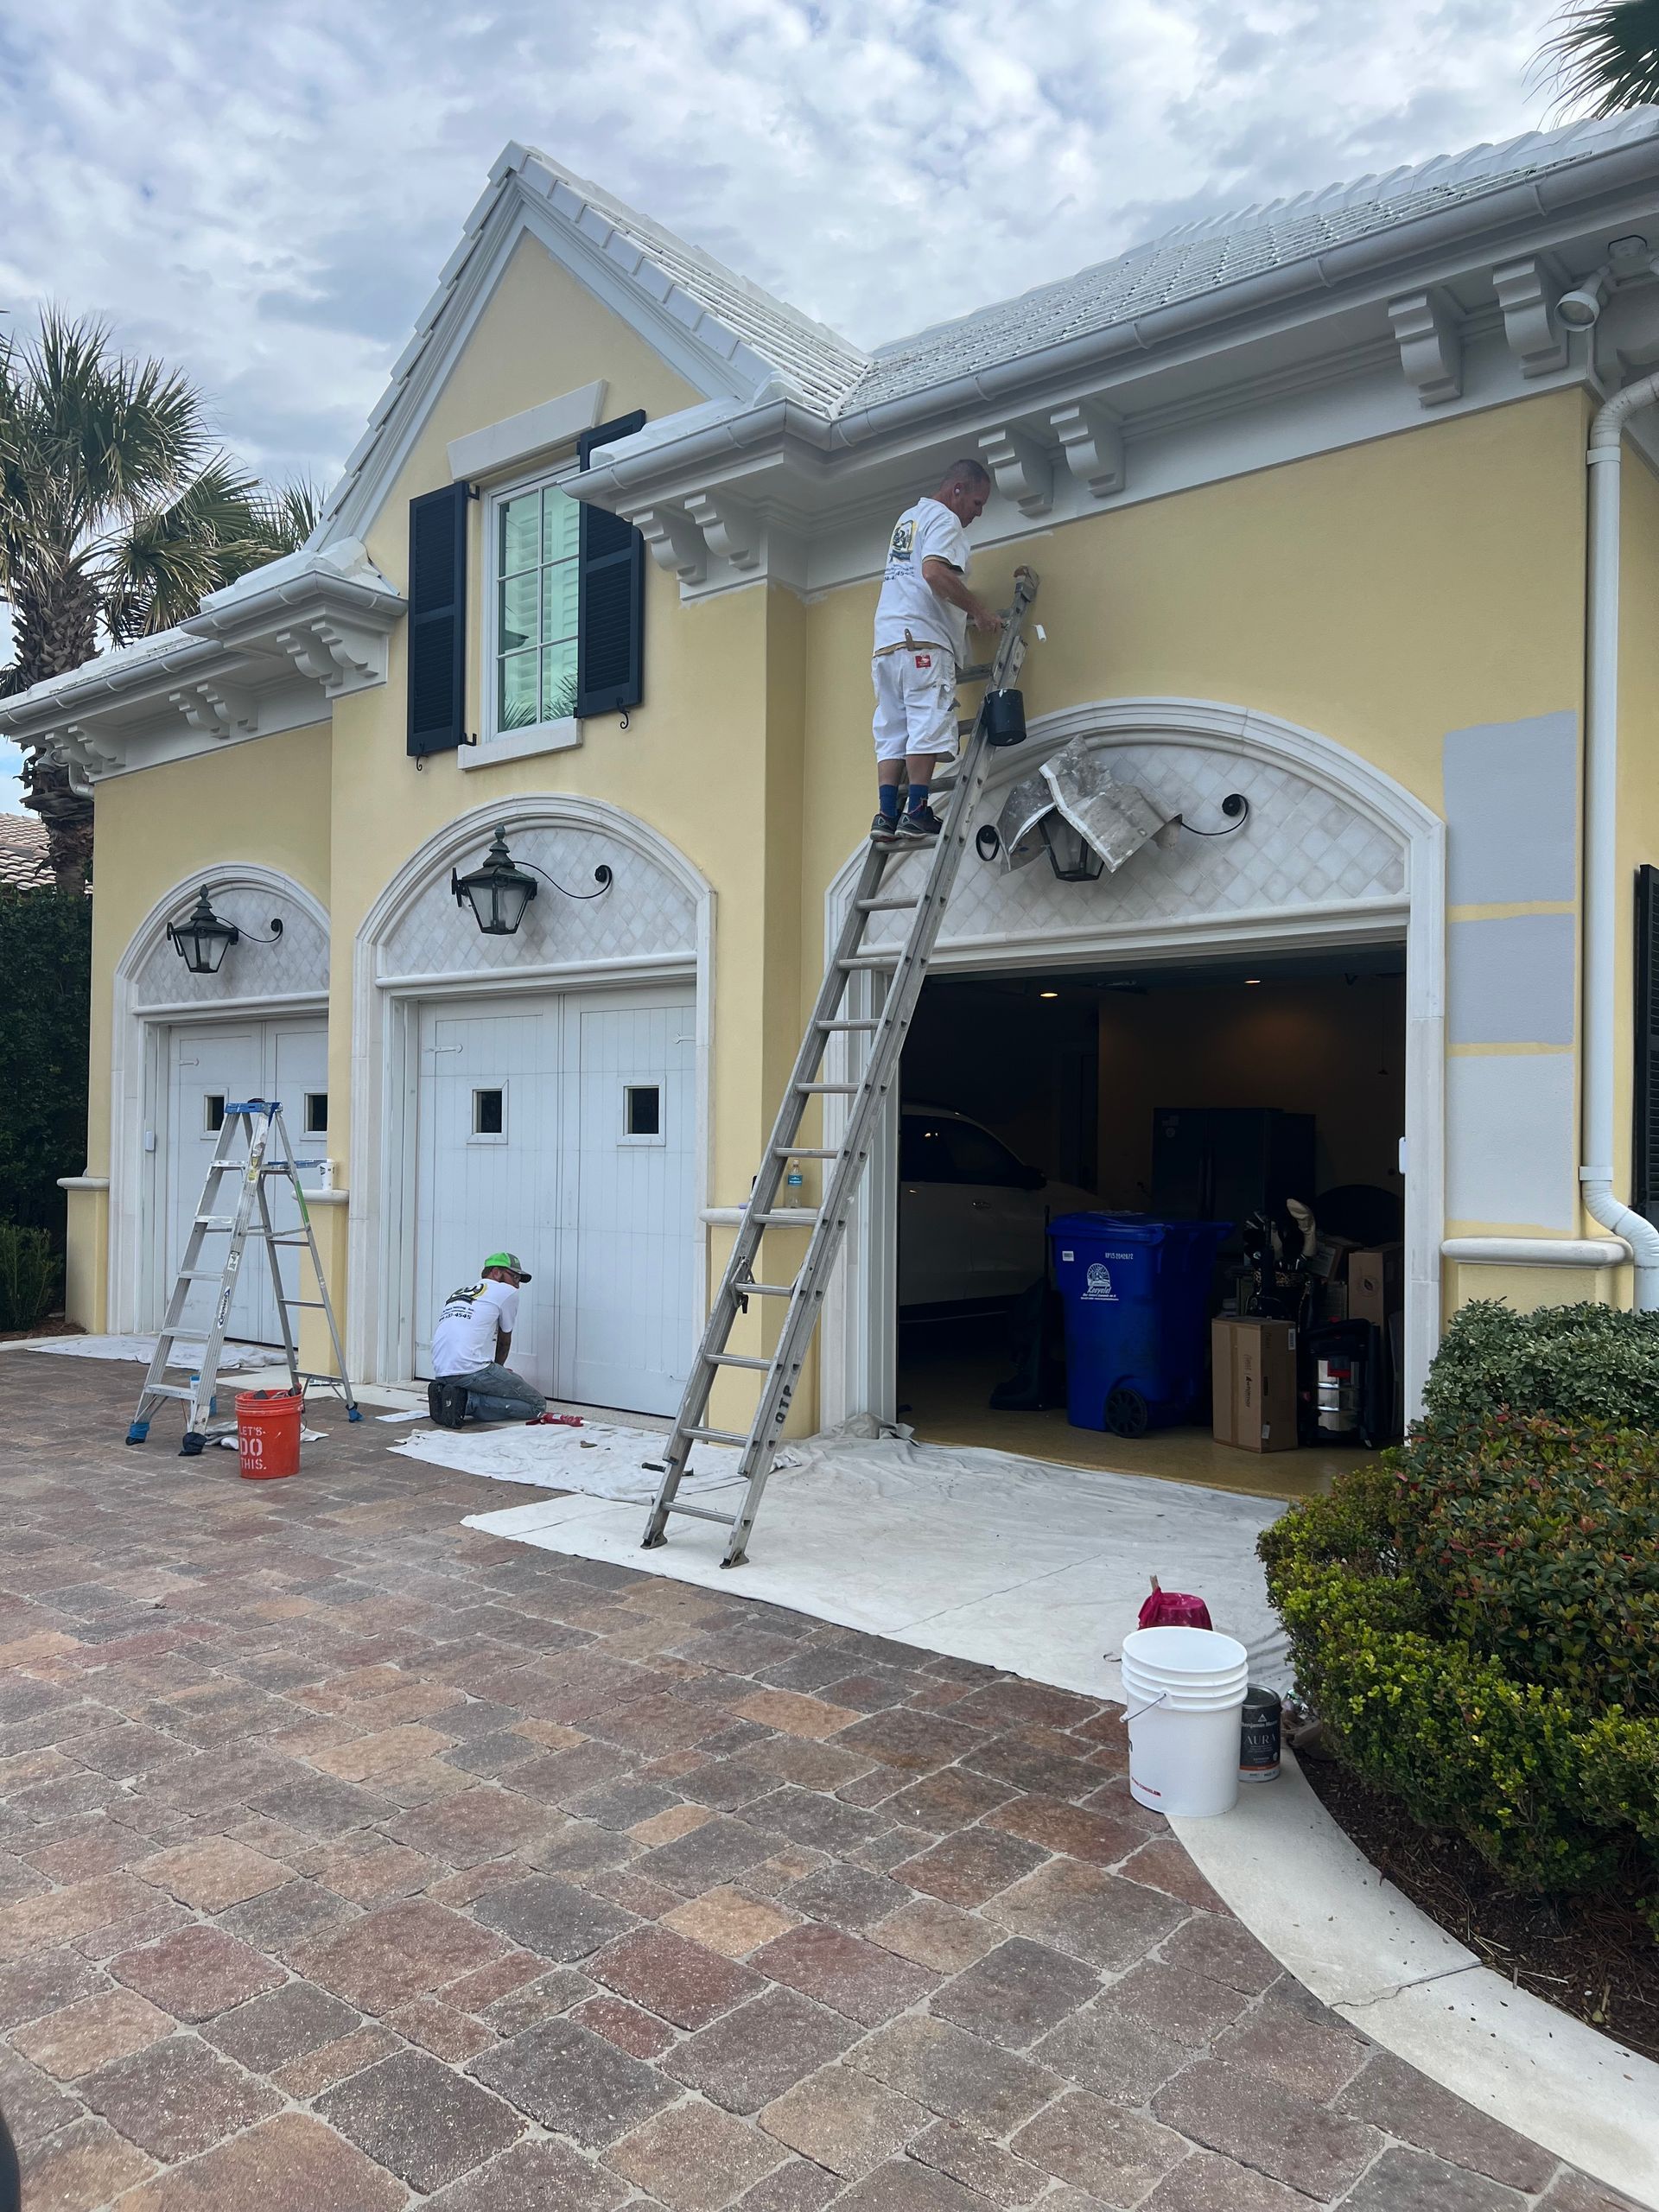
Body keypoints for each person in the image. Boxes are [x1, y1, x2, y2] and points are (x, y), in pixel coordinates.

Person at [871, 458, 1004, 845]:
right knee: (927, 722)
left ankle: (886, 815)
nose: (977, 513)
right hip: (923, 641)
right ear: (957, 490)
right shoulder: (944, 520)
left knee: (893, 727)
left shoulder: (908, 519)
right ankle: (916, 811)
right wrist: (978, 611)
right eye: (977, 503)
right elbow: (933, 572)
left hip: (887, 643)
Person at [429, 1253, 546, 1423]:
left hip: (441, 1371)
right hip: (470, 1370)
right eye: (514, 1277)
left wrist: (498, 1372)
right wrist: (499, 1368)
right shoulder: (507, 1291)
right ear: (496, 1272)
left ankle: (448, 1396)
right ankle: (465, 1402)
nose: (517, 1285)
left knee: (513, 1381)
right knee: (536, 1405)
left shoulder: (459, 1293)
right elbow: (504, 1341)